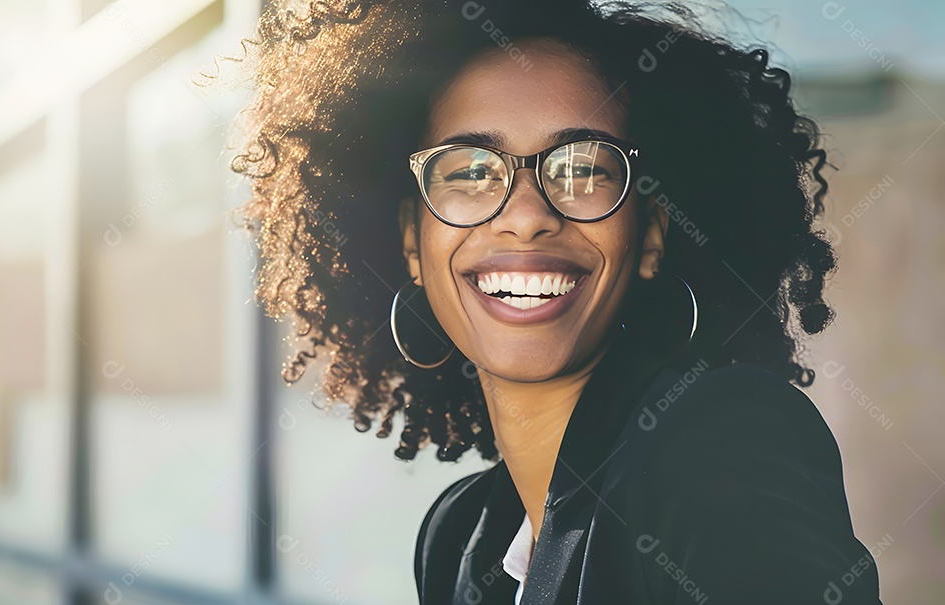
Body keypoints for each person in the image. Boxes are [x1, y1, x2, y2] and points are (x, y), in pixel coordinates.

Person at [222, 0, 885, 603]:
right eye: (471, 171)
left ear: (650, 234)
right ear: (410, 244)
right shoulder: (457, 537)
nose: (526, 216)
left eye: (582, 166)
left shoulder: (721, 444)